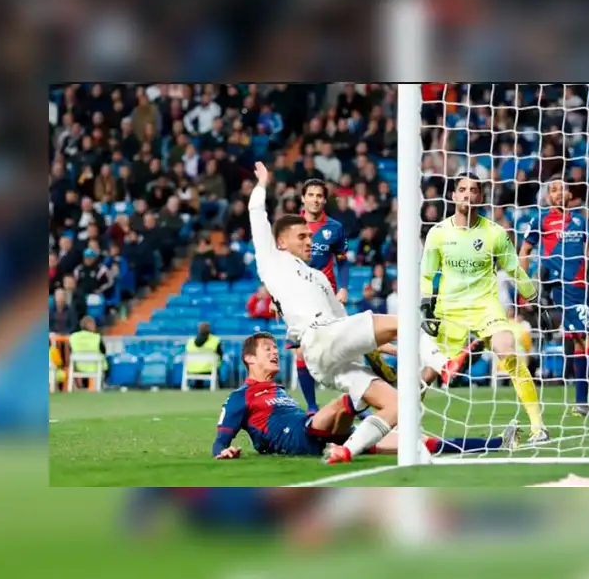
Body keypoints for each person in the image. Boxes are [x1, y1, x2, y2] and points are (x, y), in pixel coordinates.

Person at [248, 162, 458, 465]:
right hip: (318, 338)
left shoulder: (319, 278)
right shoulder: (272, 262)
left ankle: (346, 450)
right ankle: (444, 364)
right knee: (406, 321)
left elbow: (345, 323)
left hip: (331, 354)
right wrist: (262, 184)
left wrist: (384, 347)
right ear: (281, 242)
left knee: (398, 407)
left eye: (310, 236)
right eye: (302, 237)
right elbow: (257, 217)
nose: (310, 241)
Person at [212, 332, 518, 459]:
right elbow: (220, 440)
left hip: (329, 435)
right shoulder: (241, 397)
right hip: (302, 436)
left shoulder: (278, 390)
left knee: (419, 443)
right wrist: (224, 452)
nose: (275, 354)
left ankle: (499, 443)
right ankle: (369, 392)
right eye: (268, 350)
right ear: (249, 359)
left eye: (275, 349)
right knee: (339, 405)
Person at [420, 174, 550, 443]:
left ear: (480, 197)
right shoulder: (438, 233)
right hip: (450, 309)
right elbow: (426, 273)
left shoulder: (495, 233)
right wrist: (425, 306)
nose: (468, 194)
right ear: (454, 196)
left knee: (507, 349)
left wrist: (533, 296)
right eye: (463, 190)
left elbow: (514, 268)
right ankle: (401, 426)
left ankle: (538, 427)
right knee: (428, 372)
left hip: (486, 307)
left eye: (474, 190)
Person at [519, 179, 589, 417]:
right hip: (562, 288)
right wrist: (524, 284)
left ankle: (581, 405)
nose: (558, 193)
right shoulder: (540, 220)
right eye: (553, 190)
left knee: (579, 344)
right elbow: (524, 250)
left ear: (569, 194)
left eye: (562, 189)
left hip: (581, 287)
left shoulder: (579, 220)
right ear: (547, 197)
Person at [292, 178, 350, 413]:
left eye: (319, 196)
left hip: (327, 297)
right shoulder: (292, 226)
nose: (315, 199)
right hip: (298, 297)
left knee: (340, 348)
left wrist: (343, 287)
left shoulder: (334, 228)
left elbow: (343, 262)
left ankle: (355, 400)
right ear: (303, 198)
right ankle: (312, 406)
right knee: (300, 351)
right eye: (311, 195)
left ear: (324, 200)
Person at [185, 322, 223, 388]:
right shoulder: (215, 340)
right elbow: (220, 355)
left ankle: (197, 387)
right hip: (210, 368)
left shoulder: (190, 341)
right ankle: (220, 386)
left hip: (192, 368)